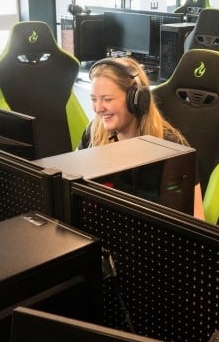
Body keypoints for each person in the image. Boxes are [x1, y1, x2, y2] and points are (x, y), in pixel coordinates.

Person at [80, 56, 204, 220]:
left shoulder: (172, 148)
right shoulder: (94, 132)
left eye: (107, 99)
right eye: (94, 99)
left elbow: (196, 219)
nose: (98, 108)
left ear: (137, 99)